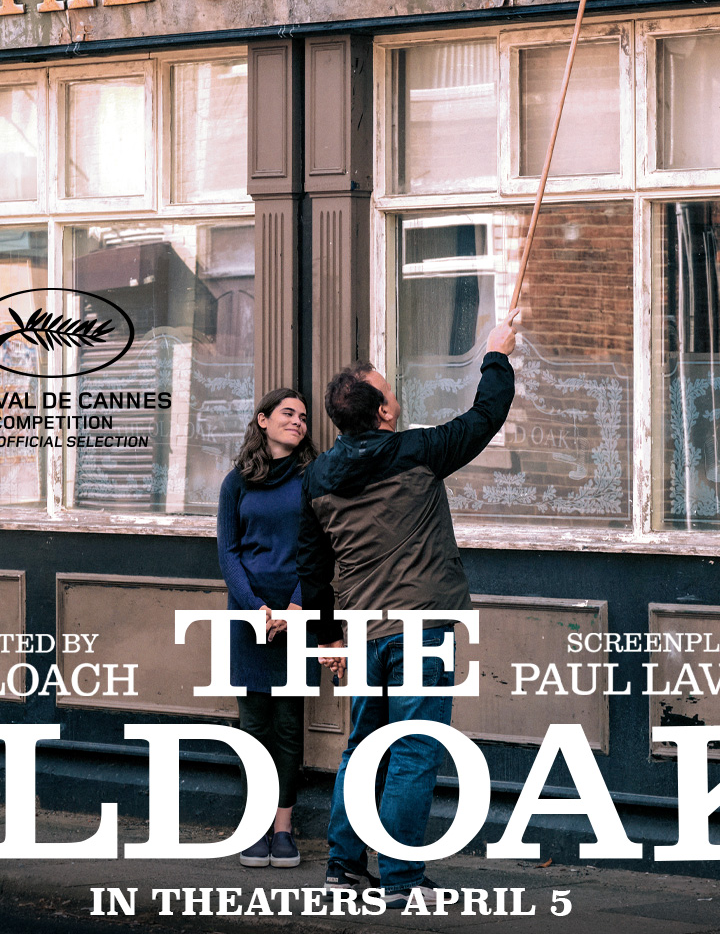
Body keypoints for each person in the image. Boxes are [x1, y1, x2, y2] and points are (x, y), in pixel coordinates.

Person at [296, 313, 518, 907]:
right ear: (385, 413)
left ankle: (343, 867)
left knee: (362, 747)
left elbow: (313, 572)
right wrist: (496, 353)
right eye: (391, 391)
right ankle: (400, 879)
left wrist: (329, 639)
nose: (396, 397)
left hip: (365, 631)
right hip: (420, 626)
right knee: (414, 749)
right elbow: (486, 416)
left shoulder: (316, 480)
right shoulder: (418, 452)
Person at [217, 387, 318, 869]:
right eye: (287, 414)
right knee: (253, 725)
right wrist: (254, 607)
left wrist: (296, 604)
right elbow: (228, 552)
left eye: (303, 417)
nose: (298, 422)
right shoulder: (237, 483)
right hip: (249, 617)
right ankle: (255, 825)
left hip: (297, 616)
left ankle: (283, 829)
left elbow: (321, 549)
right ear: (262, 420)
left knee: (287, 725)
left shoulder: (312, 479)